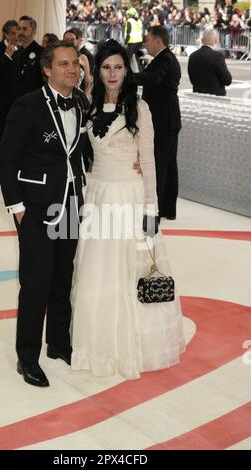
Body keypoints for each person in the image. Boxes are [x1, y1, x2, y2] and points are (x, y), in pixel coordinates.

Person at [71, 40, 185, 380]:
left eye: (119, 67)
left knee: (130, 271)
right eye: (106, 67)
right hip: (99, 196)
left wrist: (152, 208)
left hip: (130, 198)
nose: (112, 74)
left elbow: (148, 161)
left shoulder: (140, 108)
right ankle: (99, 341)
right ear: (97, 69)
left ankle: (133, 347)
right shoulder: (87, 107)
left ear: (127, 70)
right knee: (97, 270)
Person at [0, 40, 89, 387]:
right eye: (64, 64)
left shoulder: (79, 103)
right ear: (47, 69)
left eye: (75, 64)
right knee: (36, 284)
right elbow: (6, 160)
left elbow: (73, 154)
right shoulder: (27, 105)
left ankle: (59, 344)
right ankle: (27, 358)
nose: (72, 70)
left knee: (62, 279)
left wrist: (81, 187)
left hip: (70, 203)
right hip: (35, 208)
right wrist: (17, 208)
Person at [135, 25, 181, 221]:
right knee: (167, 164)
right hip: (167, 119)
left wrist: (127, 77)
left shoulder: (165, 59)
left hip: (164, 120)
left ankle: (158, 209)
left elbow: (152, 79)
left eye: (148, 39)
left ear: (157, 40)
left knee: (161, 165)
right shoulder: (165, 58)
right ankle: (166, 208)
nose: (146, 43)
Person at [0, 20, 19, 184]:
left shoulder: (21, 50)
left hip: (18, 102)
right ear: (5, 34)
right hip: (0, 103)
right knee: (2, 138)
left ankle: (15, 172)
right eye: (13, 32)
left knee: (17, 139)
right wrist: (7, 56)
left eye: (18, 32)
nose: (16, 35)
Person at [188, 29, 232, 96]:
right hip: (215, 96)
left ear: (202, 40)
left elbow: (192, 79)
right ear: (216, 40)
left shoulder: (193, 56)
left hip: (198, 93)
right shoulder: (217, 56)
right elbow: (227, 80)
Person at [11, 16, 44, 101]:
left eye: (25, 29)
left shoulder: (42, 52)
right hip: (17, 102)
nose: (20, 32)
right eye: (19, 29)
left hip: (35, 101)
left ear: (33, 32)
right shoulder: (15, 52)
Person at [63, 29, 91, 97]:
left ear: (76, 41)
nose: (69, 41)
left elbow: (88, 82)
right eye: (67, 39)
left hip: (78, 97)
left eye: (72, 39)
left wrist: (86, 98)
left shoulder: (83, 58)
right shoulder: (57, 58)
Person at [124, 7, 143, 72]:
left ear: (130, 14)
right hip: (139, 42)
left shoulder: (129, 21)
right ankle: (141, 72)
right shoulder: (139, 21)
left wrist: (125, 42)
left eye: (128, 14)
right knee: (138, 59)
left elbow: (128, 33)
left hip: (132, 42)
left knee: (127, 59)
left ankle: (126, 74)